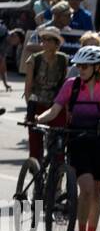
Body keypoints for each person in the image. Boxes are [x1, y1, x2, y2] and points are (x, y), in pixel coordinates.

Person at [37, 44, 100, 231]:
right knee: (87, 188)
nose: (80, 69)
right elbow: (55, 109)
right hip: (77, 139)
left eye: (85, 66)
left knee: (97, 193)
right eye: (79, 66)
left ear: (96, 67)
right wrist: (39, 119)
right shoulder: (71, 85)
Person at [24, 26, 68, 160]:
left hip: (55, 104)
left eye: (49, 40)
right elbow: (28, 87)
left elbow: (64, 84)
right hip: (37, 102)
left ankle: (57, 172)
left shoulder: (63, 59)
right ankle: (35, 167)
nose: (45, 42)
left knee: (59, 140)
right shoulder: (34, 59)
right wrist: (30, 109)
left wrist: (65, 107)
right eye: (43, 39)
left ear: (56, 43)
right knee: (35, 141)